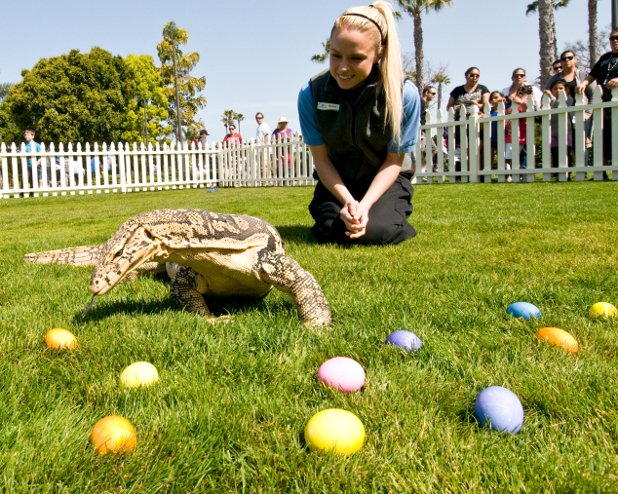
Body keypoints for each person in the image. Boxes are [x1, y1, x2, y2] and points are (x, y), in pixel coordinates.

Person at [298, 1, 420, 245]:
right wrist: (349, 201)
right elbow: (321, 160)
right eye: (335, 55)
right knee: (334, 231)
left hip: (385, 180)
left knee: (376, 232)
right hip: (337, 182)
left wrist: (365, 205)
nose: (343, 67)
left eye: (356, 58)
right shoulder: (311, 93)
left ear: (380, 53)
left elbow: (394, 161)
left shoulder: (404, 94)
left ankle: (389, 216)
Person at [577, 28, 618, 174]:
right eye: (612, 38)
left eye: (617, 38)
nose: (615, 41)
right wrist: (584, 83)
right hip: (604, 104)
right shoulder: (606, 57)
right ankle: (601, 172)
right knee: (603, 137)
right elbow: (592, 75)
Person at [545, 50, 592, 167]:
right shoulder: (555, 78)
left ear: (575, 60)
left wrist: (588, 113)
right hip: (563, 116)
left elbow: (593, 95)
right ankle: (566, 170)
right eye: (564, 58)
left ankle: (583, 170)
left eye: (570, 58)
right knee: (566, 143)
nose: (567, 60)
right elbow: (546, 90)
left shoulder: (583, 75)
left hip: (581, 114)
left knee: (581, 143)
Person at [501, 69, 542, 176]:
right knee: (509, 151)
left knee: (525, 149)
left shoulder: (530, 89)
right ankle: (510, 173)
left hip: (525, 124)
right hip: (508, 125)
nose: (519, 77)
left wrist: (521, 103)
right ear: (512, 77)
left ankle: (523, 172)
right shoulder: (505, 91)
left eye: (521, 75)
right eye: (516, 75)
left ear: (525, 77)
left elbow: (535, 106)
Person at [547, 79, 573, 180]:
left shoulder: (569, 100)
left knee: (567, 152)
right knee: (555, 152)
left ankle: (568, 173)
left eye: (561, 88)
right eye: (555, 88)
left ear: (566, 90)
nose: (558, 90)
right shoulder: (550, 102)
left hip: (567, 131)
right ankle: (557, 173)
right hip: (554, 132)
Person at [416, 86, 438, 176]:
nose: (434, 96)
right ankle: (418, 171)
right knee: (419, 152)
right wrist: (420, 133)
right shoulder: (420, 102)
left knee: (434, 149)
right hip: (420, 132)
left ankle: (422, 170)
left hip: (425, 132)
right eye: (432, 93)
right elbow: (417, 117)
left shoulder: (425, 104)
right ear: (426, 93)